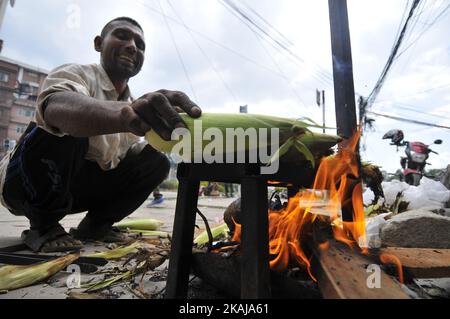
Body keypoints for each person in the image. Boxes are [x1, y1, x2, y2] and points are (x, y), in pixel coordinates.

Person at [0, 17, 202, 252]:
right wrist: (124, 116)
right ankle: (44, 226)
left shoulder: (135, 103)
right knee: (68, 125)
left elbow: (137, 159)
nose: (132, 46)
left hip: (75, 189)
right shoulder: (76, 73)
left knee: (156, 160)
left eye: (140, 44)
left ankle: (96, 225)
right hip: (26, 184)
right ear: (98, 43)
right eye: (122, 36)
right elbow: (55, 107)